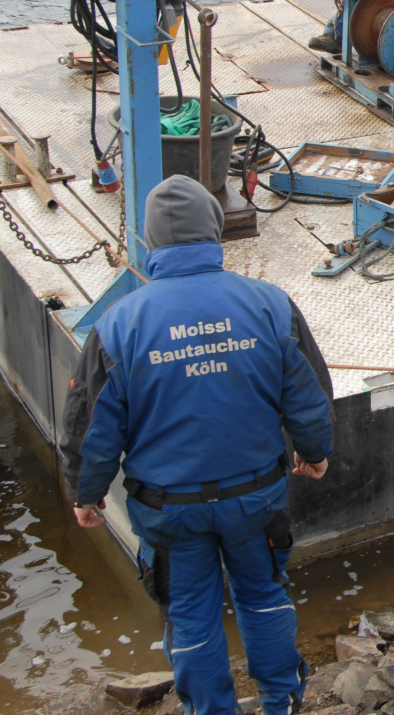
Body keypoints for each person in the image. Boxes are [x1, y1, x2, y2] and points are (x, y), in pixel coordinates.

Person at [59, 174, 335, 715]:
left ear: (150, 242)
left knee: (189, 613)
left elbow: (91, 425)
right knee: (262, 596)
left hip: (170, 508)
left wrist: (85, 493)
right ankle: (281, 701)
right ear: (215, 230)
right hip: (254, 497)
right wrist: (315, 451)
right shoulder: (269, 305)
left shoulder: (118, 326)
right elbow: (309, 394)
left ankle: (210, 709)